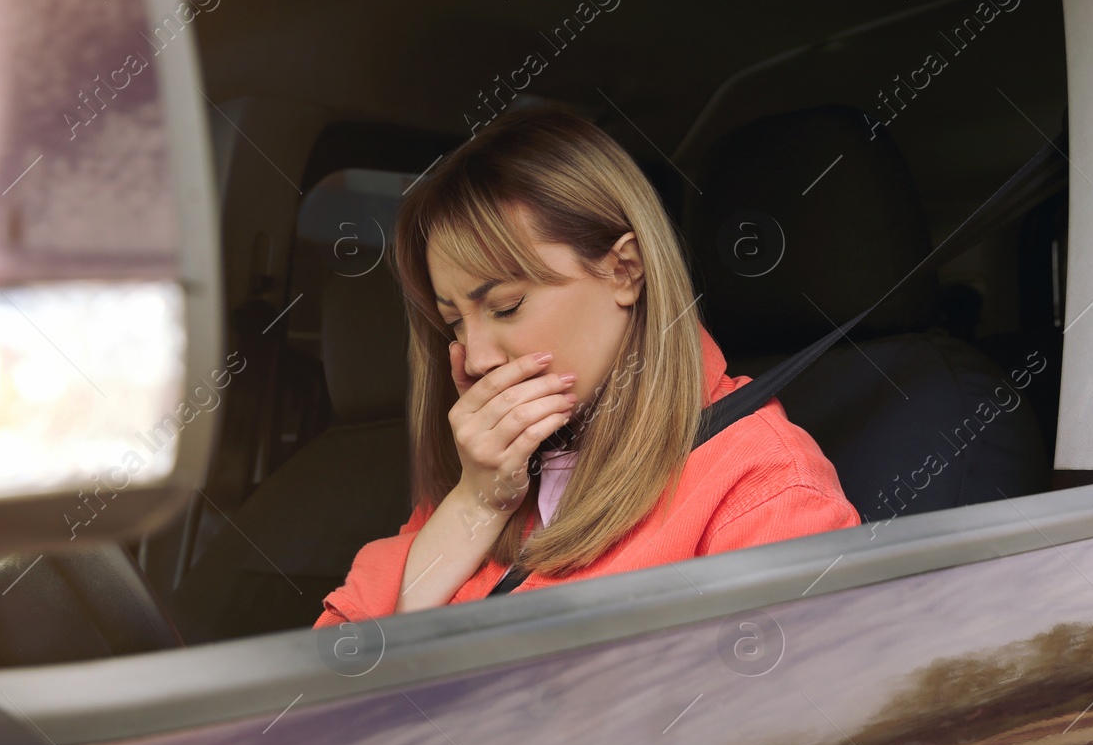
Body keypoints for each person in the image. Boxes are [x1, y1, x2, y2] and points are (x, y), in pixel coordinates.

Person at [313, 107, 858, 627]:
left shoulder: (765, 487)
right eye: (454, 322)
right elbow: (337, 673)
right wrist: (477, 502)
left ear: (623, 270)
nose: (476, 359)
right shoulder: (495, 470)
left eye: (506, 306)